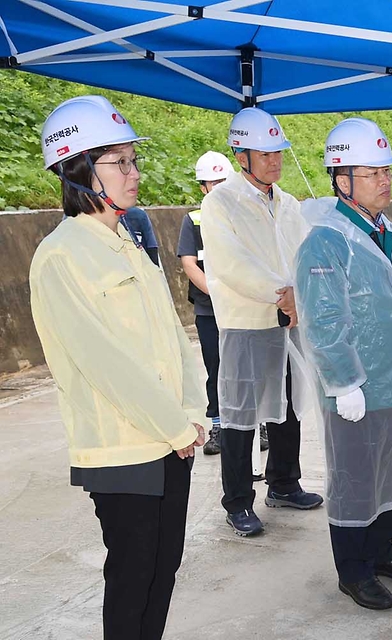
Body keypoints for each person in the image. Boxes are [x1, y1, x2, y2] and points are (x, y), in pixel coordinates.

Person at [29, 95, 206, 639]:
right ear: (77, 169)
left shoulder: (125, 241)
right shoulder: (61, 257)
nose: (133, 174)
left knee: (164, 569)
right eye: (119, 162)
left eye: (133, 160)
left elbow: (171, 337)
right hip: (124, 446)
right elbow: (105, 363)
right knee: (133, 575)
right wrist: (174, 425)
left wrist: (194, 411)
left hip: (172, 437)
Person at [294, 117, 392, 610]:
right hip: (355, 388)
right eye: (373, 172)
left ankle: (382, 551)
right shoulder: (326, 239)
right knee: (354, 476)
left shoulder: (388, 231)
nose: (386, 180)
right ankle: (353, 569)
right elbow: (323, 318)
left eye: (387, 171)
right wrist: (343, 383)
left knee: (389, 472)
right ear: (342, 180)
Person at [200, 107, 323, 537]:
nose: (275, 160)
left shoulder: (287, 204)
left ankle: (284, 483)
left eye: (278, 152)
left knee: (288, 406)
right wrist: (281, 293)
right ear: (241, 155)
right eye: (265, 153)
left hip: (288, 322)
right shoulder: (220, 202)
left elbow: (304, 255)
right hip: (248, 321)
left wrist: (301, 293)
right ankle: (237, 502)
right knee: (240, 415)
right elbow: (231, 263)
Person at [177, 151, 269, 456]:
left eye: (222, 181)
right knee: (217, 368)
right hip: (209, 310)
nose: (216, 187)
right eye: (210, 182)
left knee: (251, 367)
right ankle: (218, 425)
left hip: (244, 309)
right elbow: (189, 263)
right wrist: (217, 293)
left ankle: (260, 426)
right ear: (202, 187)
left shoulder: (244, 214)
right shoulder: (192, 221)